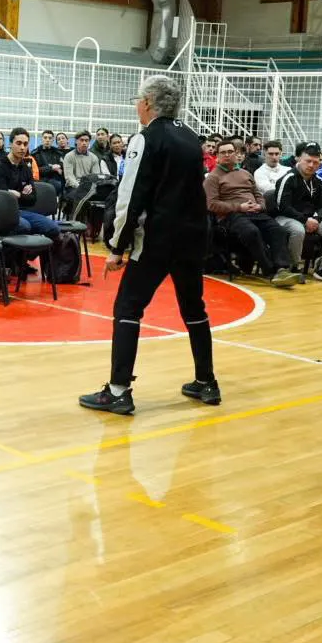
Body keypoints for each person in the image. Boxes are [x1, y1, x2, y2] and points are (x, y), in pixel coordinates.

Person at [79, 75, 218, 417]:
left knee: (128, 308)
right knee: (194, 309)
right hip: (193, 236)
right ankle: (207, 382)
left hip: (159, 238)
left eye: (138, 101)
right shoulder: (190, 136)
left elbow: (131, 195)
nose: (137, 107)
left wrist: (116, 245)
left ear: (149, 103)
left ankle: (118, 391)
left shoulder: (146, 138)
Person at [206, 139, 300, 288]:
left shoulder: (245, 173)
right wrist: (239, 207)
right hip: (231, 216)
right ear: (217, 155)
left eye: (230, 152)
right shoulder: (213, 177)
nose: (227, 155)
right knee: (252, 232)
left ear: (235, 154)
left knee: (278, 230)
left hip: (255, 212)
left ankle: (282, 268)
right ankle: (272, 272)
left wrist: (260, 205)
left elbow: (257, 194)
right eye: (223, 152)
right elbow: (211, 204)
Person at [274, 144, 322, 284]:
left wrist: (316, 219)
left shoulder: (320, 182)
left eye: (315, 162)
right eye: (308, 161)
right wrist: (305, 220)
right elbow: (283, 206)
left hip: (311, 218)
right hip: (286, 217)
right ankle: (294, 268)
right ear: (299, 160)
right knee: (298, 231)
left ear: (319, 164)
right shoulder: (288, 178)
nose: (311, 165)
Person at [0, 128, 60, 236]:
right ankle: (4, 251)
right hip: (1, 213)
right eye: (19, 143)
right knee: (24, 226)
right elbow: (1, 199)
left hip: (21, 212)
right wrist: (21, 195)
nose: (22, 148)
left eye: (25, 144)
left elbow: (32, 199)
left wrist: (18, 194)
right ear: (11, 144)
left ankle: (32, 252)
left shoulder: (25, 168)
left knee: (53, 228)